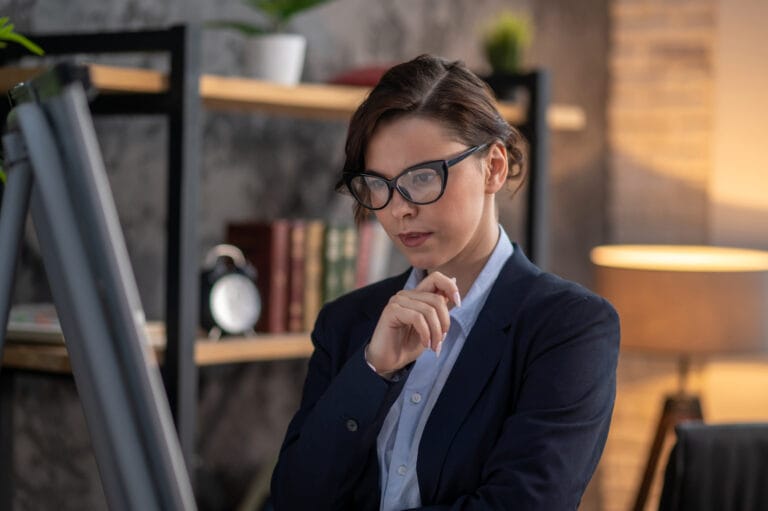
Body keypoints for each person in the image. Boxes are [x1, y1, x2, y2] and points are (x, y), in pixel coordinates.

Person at [270, 54, 620, 510]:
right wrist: (372, 370)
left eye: (422, 177)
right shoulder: (348, 323)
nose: (399, 209)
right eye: (379, 183)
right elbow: (294, 500)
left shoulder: (568, 328)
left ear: (493, 167)